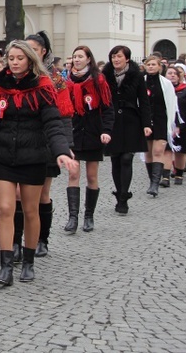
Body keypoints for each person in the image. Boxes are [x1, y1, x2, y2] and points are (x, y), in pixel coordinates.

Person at [0, 40, 75, 286]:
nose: (15, 62)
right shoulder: (0, 87)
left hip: (33, 157)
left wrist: (62, 151)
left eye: (20, 58)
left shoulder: (43, 86)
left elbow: (53, 123)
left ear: (30, 60)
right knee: (6, 209)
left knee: (30, 211)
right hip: (4, 158)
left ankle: (28, 261)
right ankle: (6, 266)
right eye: (11, 58)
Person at [23, 31, 74, 258]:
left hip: (47, 142)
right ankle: (16, 241)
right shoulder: (16, 76)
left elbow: (64, 115)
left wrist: (64, 146)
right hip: (22, 142)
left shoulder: (56, 78)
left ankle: (42, 239)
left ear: (43, 51)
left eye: (33, 49)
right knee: (16, 195)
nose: (29, 53)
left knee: (42, 194)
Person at [64, 46, 114, 233]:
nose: (76, 60)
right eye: (74, 56)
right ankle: (72, 218)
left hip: (93, 132)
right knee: (73, 174)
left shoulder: (98, 80)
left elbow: (108, 108)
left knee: (92, 176)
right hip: (74, 133)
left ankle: (89, 216)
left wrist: (107, 130)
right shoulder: (67, 81)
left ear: (88, 59)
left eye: (80, 57)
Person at [101, 45, 151, 214]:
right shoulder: (105, 76)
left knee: (127, 158)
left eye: (119, 56)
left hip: (131, 120)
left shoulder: (136, 75)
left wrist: (146, 124)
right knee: (115, 158)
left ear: (127, 59)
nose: (116, 59)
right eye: (113, 56)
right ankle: (118, 192)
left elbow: (143, 101)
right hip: (112, 120)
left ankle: (124, 196)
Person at [143, 55, 179, 195]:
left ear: (159, 66)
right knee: (148, 152)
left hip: (161, 119)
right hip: (145, 121)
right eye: (148, 64)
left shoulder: (166, 83)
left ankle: (155, 184)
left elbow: (171, 103)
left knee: (158, 151)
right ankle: (152, 179)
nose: (151, 67)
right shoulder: (142, 81)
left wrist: (172, 123)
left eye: (153, 64)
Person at [166, 66, 186, 184]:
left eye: (175, 73)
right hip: (166, 125)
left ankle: (179, 173)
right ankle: (165, 176)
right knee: (166, 150)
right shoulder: (162, 89)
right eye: (170, 73)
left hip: (183, 125)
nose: (172, 75)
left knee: (181, 151)